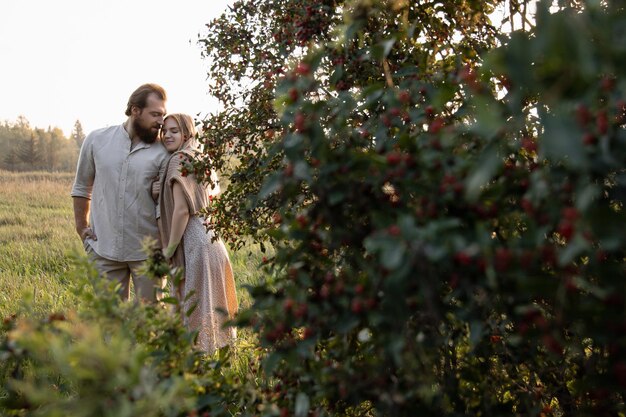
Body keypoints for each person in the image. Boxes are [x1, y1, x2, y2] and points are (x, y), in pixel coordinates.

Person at [71, 83, 169, 302]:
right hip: (104, 249)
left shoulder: (164, 150)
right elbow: (81, 187)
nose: (161, 122)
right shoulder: (96, 140)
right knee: (111, 326)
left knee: (150, 321)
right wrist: (81, 229)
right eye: (155, 114)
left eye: (163, 115)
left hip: (149, 254)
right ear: (135, 110)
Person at [157, 113, 238, 353]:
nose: (167, 135)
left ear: (187, 133)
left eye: (174, 130)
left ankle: (195, 363)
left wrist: (169, 248)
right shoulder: (200, 157)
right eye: (165, 131)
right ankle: (219, 359)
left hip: (193, 241)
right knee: (211, 305)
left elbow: (181, 210)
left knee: (193, 306)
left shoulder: (179, 159)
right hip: (212, 240)